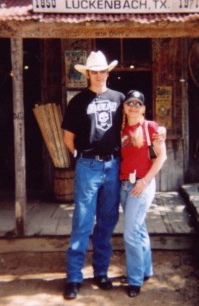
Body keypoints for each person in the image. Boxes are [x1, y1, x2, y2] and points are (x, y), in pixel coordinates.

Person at [61, 51, 165, 300]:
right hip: (88, 166)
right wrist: (81, 157)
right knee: (82, 221)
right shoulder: (78, 101)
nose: (99, 75)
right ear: (87, 74)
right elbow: (68, 136)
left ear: (108, 72)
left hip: (113, 168)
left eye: (102, 71)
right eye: (94, 71)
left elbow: (137, 118)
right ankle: (74, 276)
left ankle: (100, 272)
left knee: (106, 222)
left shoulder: (119, 99)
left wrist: (159, 130)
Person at [120, 90, 167, 298]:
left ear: (144, 108)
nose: (133, 107)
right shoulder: (119, 129)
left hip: (142, 185)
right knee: (138, 229)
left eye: (138, 103)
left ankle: (134, 280)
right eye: (130, 103)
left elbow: (161, 157)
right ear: (124, 107)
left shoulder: (151, 128)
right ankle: (146, 270)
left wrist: (145, 180)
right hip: (123, 185)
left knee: (130, 232)